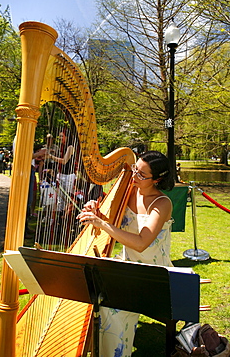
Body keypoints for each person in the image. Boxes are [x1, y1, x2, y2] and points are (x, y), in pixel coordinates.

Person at [77, 150, 174, 357]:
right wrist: (97, 212)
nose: (134, 176)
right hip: (127, 265)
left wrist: (102, 223)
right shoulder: (130, 190)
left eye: (141, 174)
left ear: (157, 179)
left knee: (109, 308)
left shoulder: (162, 204)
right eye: (134, 169)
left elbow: (141, 243)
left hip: (153, 274)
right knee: (88, 288)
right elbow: (115, 223)